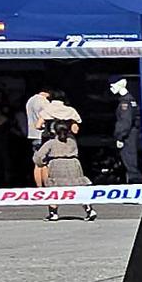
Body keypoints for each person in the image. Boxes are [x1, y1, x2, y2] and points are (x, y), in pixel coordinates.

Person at [34, 93, 95, 222]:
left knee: (54, 187)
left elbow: (38, 126)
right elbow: (76, 129)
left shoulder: (48, 110)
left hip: (55, 159)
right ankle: (89, 209)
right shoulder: (71, 111)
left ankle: (53, 213)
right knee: (79, 186)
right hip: (72, 157)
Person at [112, 79, 142, 182]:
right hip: (131, 135)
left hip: (128, 137)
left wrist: (120, 137)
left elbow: (125, 122)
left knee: (129, 161)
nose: (112, 88)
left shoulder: (125, 103)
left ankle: (135, 182)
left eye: (114, 85)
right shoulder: (131, 101)